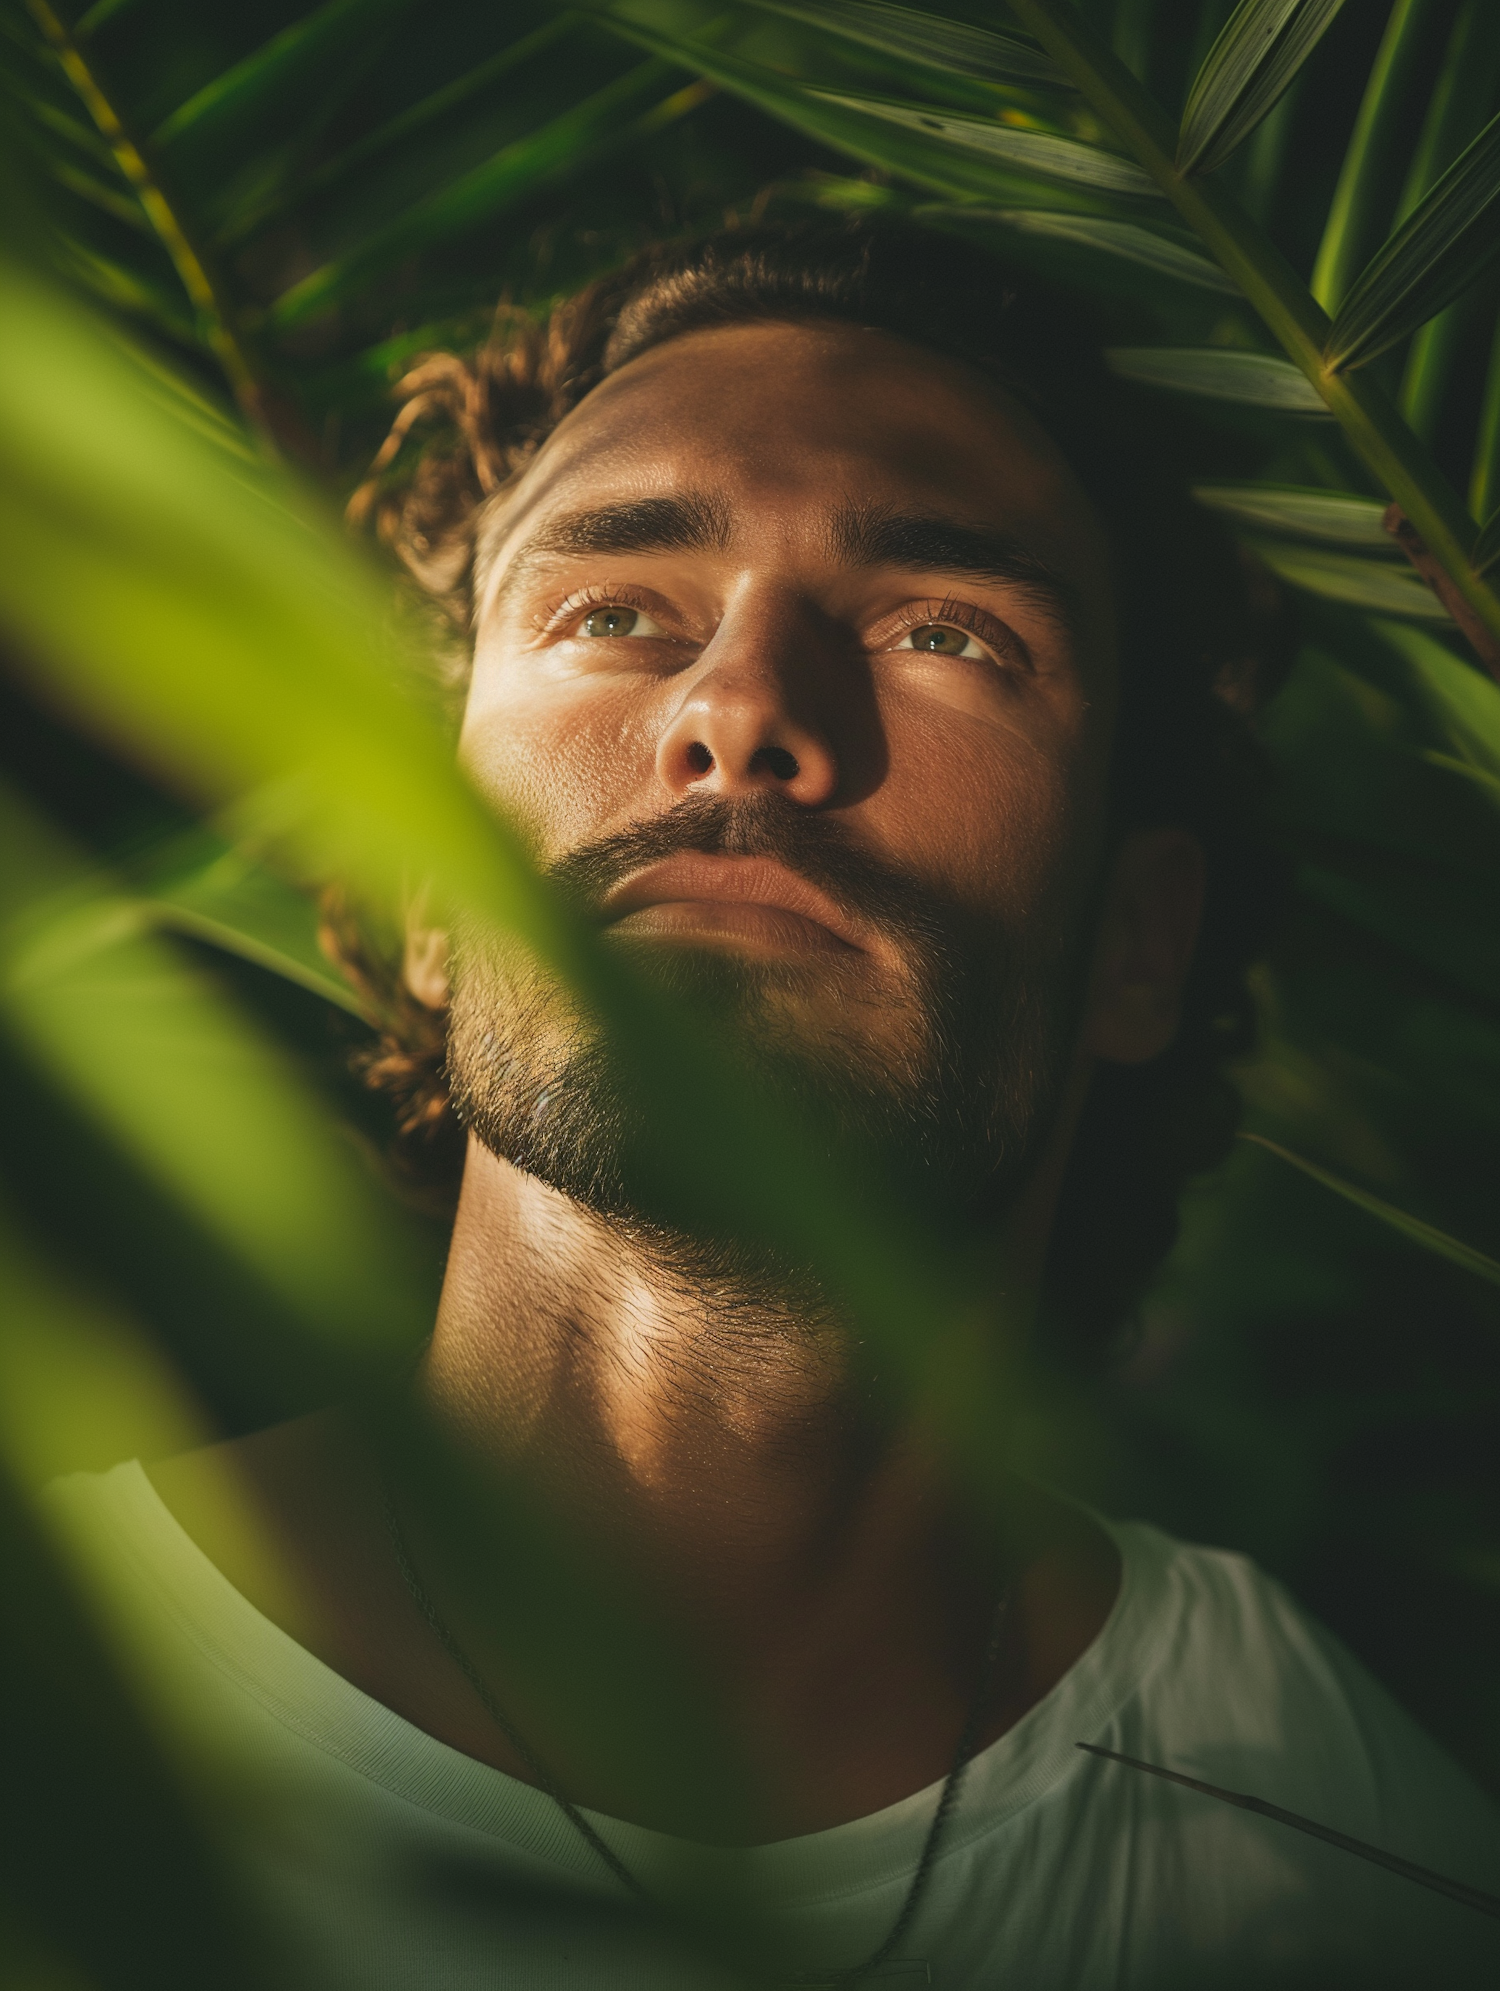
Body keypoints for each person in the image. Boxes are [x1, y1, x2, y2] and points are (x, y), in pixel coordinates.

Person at [46, 221, 1500, 1988]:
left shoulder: (1316, 1849)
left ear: (1137, 941)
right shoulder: (49, 1693)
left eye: (946, 631)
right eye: (612, 614)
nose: (738, 709)